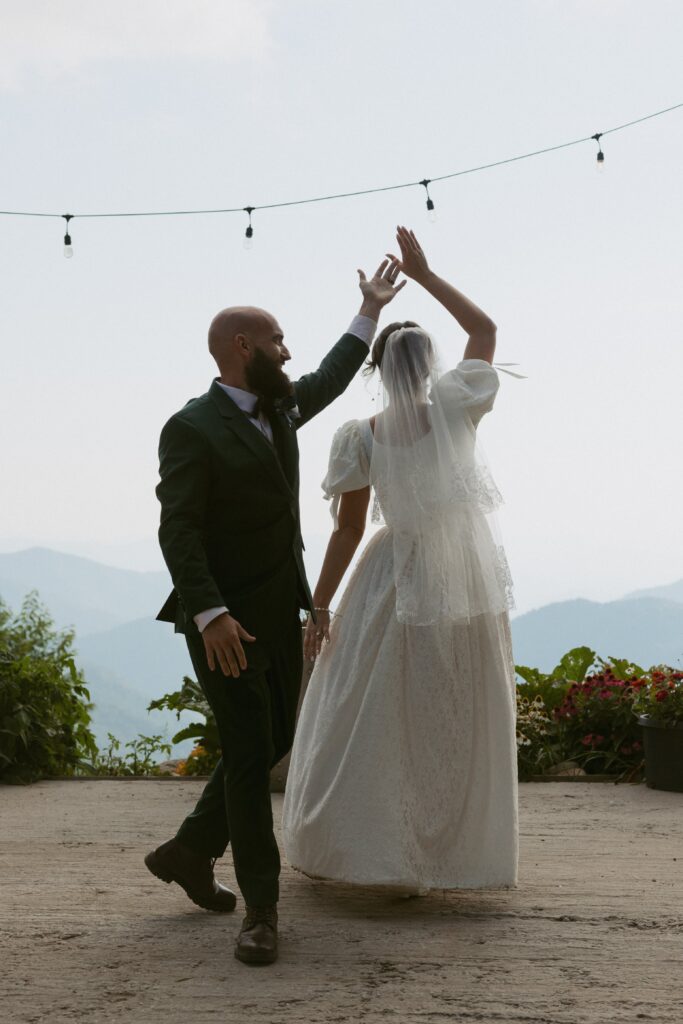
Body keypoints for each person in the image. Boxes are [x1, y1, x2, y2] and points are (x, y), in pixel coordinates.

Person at [146, 257, 406, 965]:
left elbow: (323, 377)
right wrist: (210, 615)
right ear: (241, 348)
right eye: (278, 341)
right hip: (224, 623)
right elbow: (179, 530)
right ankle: (261, 912)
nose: (287, 352)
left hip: (279, 607)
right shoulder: (191, 427)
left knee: (268, 740)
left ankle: (189, 849)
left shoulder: (279, 407)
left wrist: (369, 310)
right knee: (248, 752)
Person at [282, 227, 518, 892]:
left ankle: (369, 850)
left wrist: (320, 604)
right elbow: (485, 329)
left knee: (373, 714)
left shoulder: (358, 436)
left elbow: (346, 530)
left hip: (390, 575)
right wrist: (429, 273)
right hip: (462, 578)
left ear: (372, 370)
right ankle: (448, 853)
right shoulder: (454, 407)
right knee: (453, 715)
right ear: (428, 365)